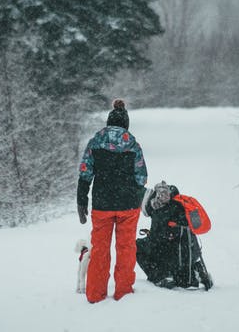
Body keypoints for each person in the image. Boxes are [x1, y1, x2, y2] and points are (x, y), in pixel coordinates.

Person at [77, 99, 147, 303]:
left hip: (102, 205)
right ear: (126, 124)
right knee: (126, 249)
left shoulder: (95, 142)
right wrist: (132, 192)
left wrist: (81, 200)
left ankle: (95, 294)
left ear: (109, 122)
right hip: (128, 206)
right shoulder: (133, 144)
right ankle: (123, 293)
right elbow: (141, 177)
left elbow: (85, 172)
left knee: (99, 250)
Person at [137, 181, 213, 290]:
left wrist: (151, 236)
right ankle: (196, 269)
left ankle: (160, 277)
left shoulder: (158, 210)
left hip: (172, 257)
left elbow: (157, 240)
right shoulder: (179, 203)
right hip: (191, 254)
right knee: (183, 276)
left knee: (136, 246)